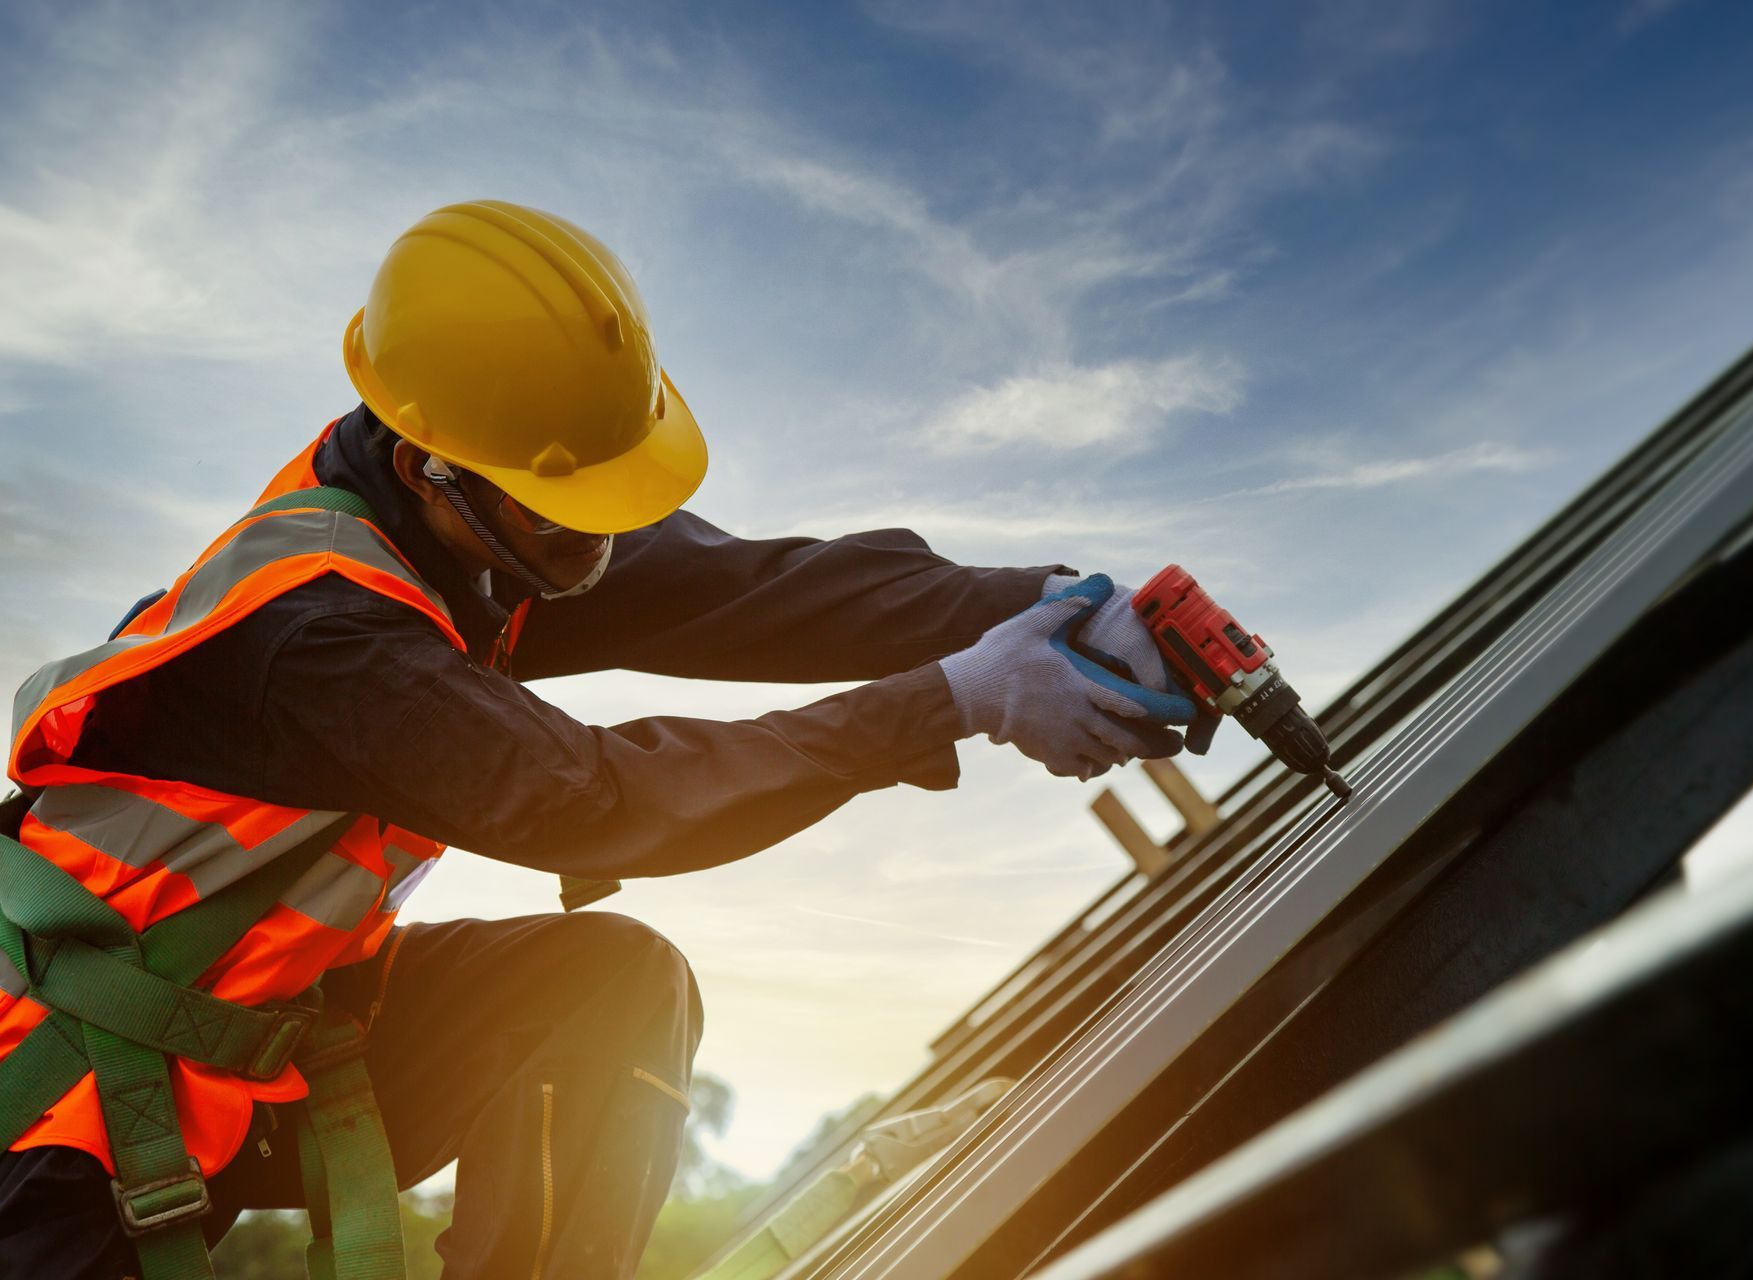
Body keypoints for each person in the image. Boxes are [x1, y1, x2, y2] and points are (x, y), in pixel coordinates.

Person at [0, 201, 1211, 1279]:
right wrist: (955, 698)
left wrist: (1048, 608)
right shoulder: (323, 639)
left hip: (243, 1043)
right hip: (53, 1133)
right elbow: (595, 800)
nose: (601, 552)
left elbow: (750, 588)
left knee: (608, 987)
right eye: (573, 523)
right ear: (433, 468)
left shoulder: (475, 521)